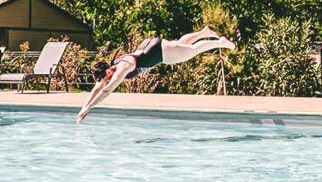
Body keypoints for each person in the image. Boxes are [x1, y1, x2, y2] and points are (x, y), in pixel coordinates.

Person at [76, 27, 234, 123]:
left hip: (160, 52)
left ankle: (221, 42)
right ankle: (204, 32)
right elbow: (98, 88)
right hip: (151, 46)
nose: (108, 80)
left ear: (108, 70)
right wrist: (83, 108)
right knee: (182, 44)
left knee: (192, 51)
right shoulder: (113, 66)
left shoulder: (122, 67)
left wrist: (88, 109)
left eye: (107, 77)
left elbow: (107, 90)